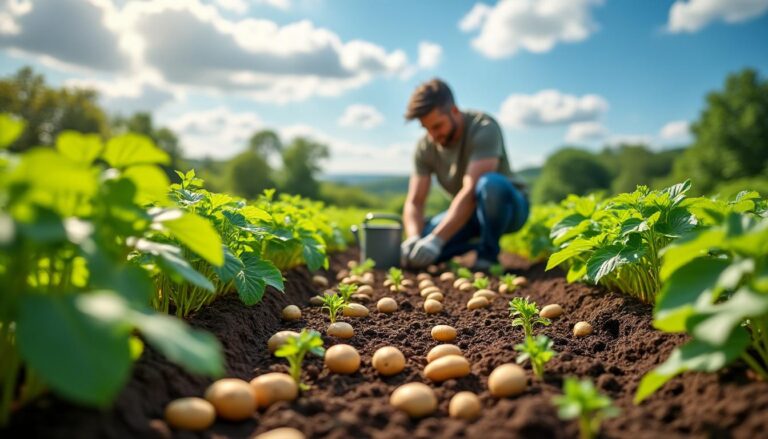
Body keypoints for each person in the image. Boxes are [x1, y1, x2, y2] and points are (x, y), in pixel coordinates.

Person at [400, 78, 529, 270]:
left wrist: (436, 240)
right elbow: (415, 201)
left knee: (489, 185)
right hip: (467, 214)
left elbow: (471, 191)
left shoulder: (483, 127)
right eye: (426, 128)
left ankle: (487, 255)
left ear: (454, 111)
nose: (433, 136)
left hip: (507, 207)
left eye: (437, 126)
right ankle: (473, 243)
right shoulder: (425, 147)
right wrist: (414, 237)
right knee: (423, 247)